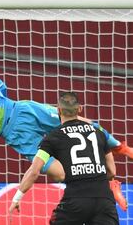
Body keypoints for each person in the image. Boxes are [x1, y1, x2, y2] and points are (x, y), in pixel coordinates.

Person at [0, 2, 133, 211]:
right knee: (59, 173)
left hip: (23, 111)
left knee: (80, 124)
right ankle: (107, 184)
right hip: (16, 136)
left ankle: (119, 146)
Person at [9, 92, 119, 224]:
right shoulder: (99, 133)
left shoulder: (53, 137)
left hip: (75, 201)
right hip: (104, 201)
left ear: (58, 110)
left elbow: (34, 171)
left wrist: (17, 198)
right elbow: (112, 171)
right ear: (80, 109)